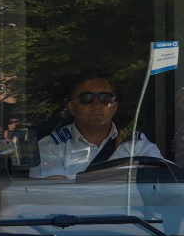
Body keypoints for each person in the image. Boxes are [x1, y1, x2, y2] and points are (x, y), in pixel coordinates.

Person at [31, 73, 163, 179]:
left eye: (105, 98)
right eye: (87, 97)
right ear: (72, 107)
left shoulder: (136, 143)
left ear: (115, 107)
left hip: (130, 212)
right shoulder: (51, 147)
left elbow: (161, 181)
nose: (97, 104)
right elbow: (54, 196)